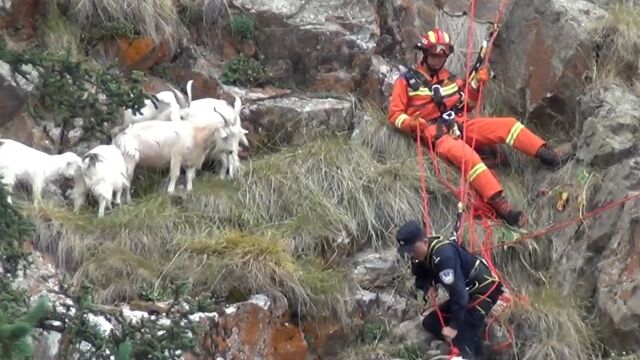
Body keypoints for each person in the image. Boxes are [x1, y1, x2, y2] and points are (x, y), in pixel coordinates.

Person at [387, 27, 572, 228]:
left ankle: (547, 154)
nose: (438, 61)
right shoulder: (406, 81)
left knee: (507, 125)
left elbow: (468, 106)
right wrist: (411, 123)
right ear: (424, 54)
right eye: (433, 56)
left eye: (442, 57)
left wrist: (476, 86)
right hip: (436, 135)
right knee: (468, 156)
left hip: (459, 123)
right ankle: (502, 206)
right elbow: (394, 115)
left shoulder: (450, 79)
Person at [396, 219, 503, 360]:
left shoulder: (444, 257)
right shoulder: (420, 256)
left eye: (412, 250)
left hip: (482, 292)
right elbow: (420, 277)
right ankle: (474, 335)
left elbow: (460, 297)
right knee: (430, 322)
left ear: (424, 242)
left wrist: (453, 328)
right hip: (463, 294)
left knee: (462, 341)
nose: (410, 254)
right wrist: (428, 287)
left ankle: (470, 340)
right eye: (407, 251)